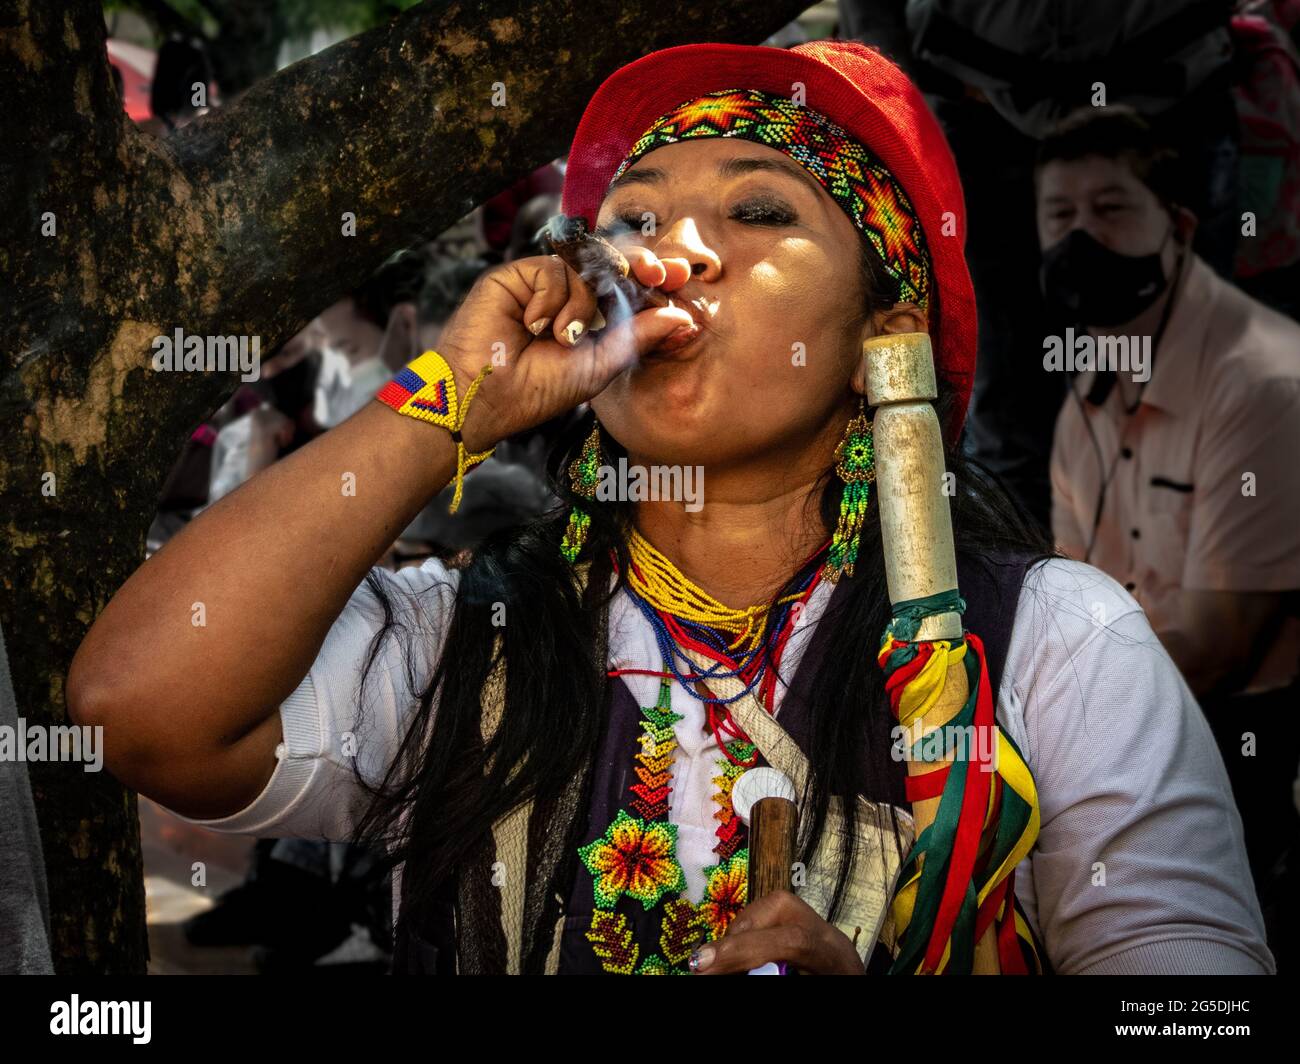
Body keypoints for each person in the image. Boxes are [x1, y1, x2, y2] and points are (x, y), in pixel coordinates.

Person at [69, 41, 1272, 975]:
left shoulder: (1056, 644)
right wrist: (446, 398)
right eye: (634, 218)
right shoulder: (470, 639)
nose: (669, 251)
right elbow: (137, 706)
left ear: (878, 341)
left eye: (758, 212)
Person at [1040, 106, 1300, 952]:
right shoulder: (1092, 358)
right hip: (1114, 710)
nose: (1081, 238)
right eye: (1059, 216)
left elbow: (1222, 638)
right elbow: (1066, 572)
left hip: (1241, 731)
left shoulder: (1264, 379)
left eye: (1111, 210)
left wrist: (1059, 715)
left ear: (1179, 228)